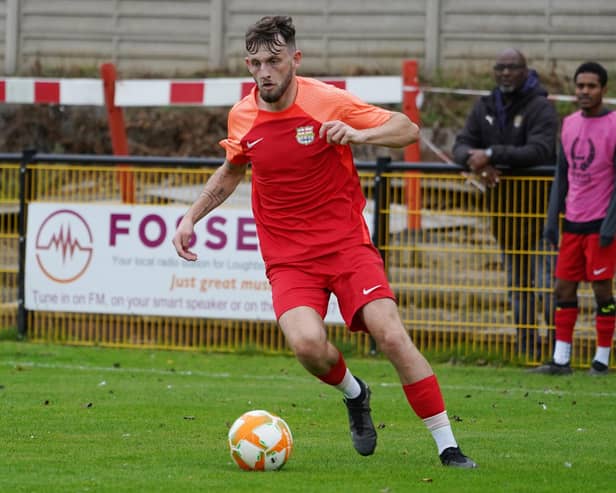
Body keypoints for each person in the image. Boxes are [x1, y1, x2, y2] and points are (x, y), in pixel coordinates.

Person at [172, 16, 476, 468]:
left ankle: (448, 447)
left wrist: (359, 134)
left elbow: (406, 128)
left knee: (390, 334)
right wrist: (192, 215)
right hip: (289, 259)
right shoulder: (243, 114)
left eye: (274, 61)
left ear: (295, 59)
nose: (264, 72)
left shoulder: (327, 101)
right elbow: (233, 168)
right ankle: (356, 394)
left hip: (346, 246)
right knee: (308, 346)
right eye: (255, 63)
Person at [452, 48, 559, 359]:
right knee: (517, 286)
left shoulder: (540, 107)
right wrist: (478, 163)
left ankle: (557, 351)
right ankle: (526, 349)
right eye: (500, 67)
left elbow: (540, 151)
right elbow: (461, 144)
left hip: (540, 213)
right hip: (504, 214)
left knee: (544, 285)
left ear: (525, 70)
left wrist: (494, 154)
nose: (506, 73)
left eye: (512, 67)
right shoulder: (485, 105)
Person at [532, 62, 616, 376]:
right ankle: (561, 360)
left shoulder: (614, 124)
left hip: (600, 225)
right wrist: (552, 220)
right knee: (563, 290)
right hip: (573, 224)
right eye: (580, 85)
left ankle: (602, 360)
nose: (584, 91)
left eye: (591, 86)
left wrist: (610, 223)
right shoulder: (568, 124)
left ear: (603, 89)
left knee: (602, 292)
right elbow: (561, 175)